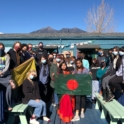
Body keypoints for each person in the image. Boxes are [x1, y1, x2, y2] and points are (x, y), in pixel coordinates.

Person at [0, 42, 15, 111]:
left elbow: (7, 66)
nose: (0, 49)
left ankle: (8, 105)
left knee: (9, 88)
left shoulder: (7, 56)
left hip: (5, 75)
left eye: (2, 48)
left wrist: (2, 72)